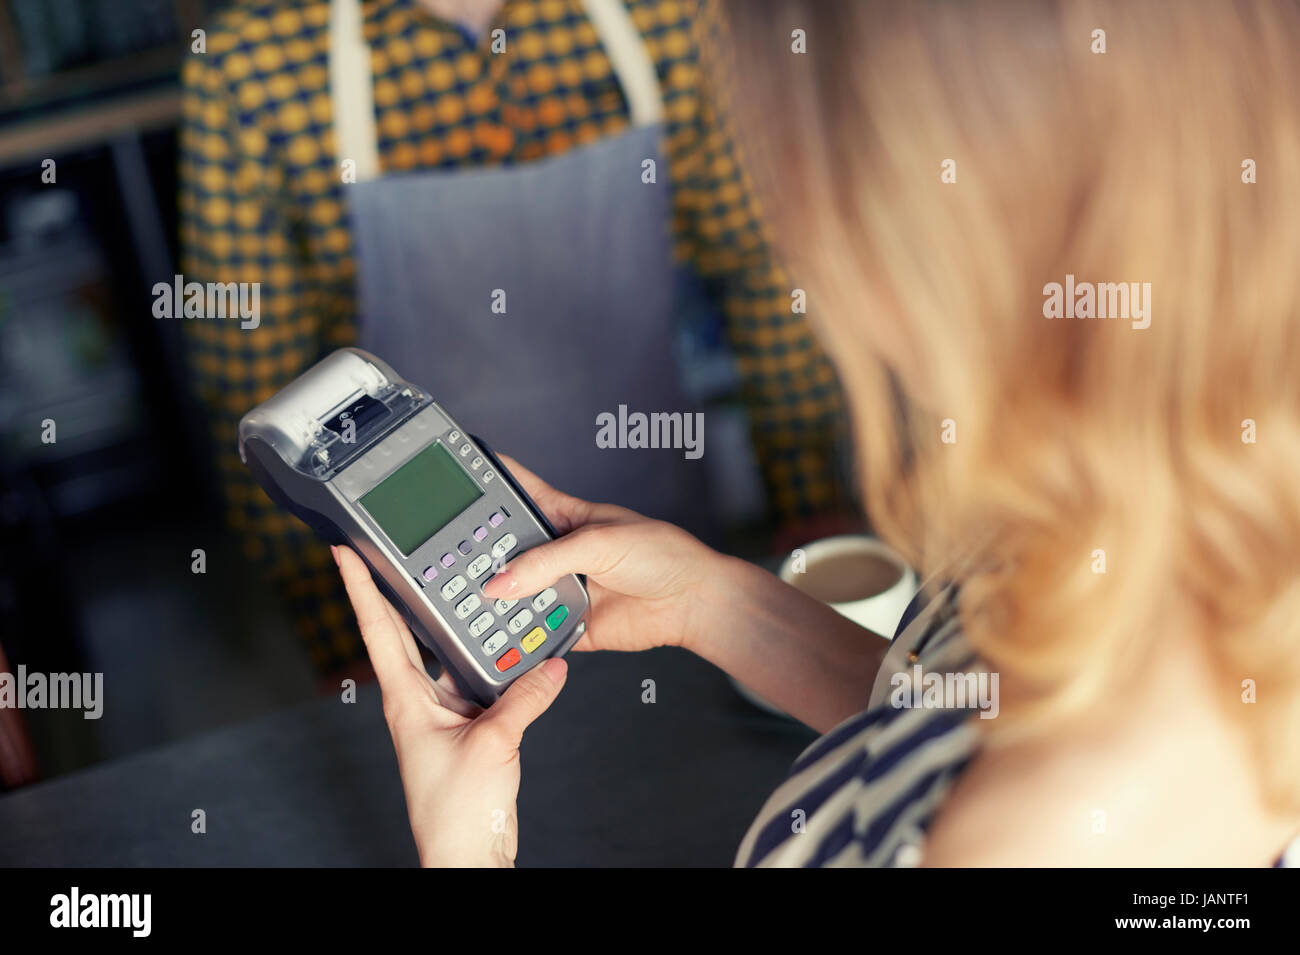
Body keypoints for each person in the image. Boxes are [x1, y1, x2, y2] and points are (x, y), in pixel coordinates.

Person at [333, 0, 1300, 866]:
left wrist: (469, 851)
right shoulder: (1180, 496)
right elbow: (948, 721)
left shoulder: (1007, 841)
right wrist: (717, 607)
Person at [178, 0, 850, 681]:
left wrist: (811, 501)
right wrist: (347, 639)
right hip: (439, 626)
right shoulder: (250, 65)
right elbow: (255, 392)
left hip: (669, 542)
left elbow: (764, 267)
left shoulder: (668, 12)